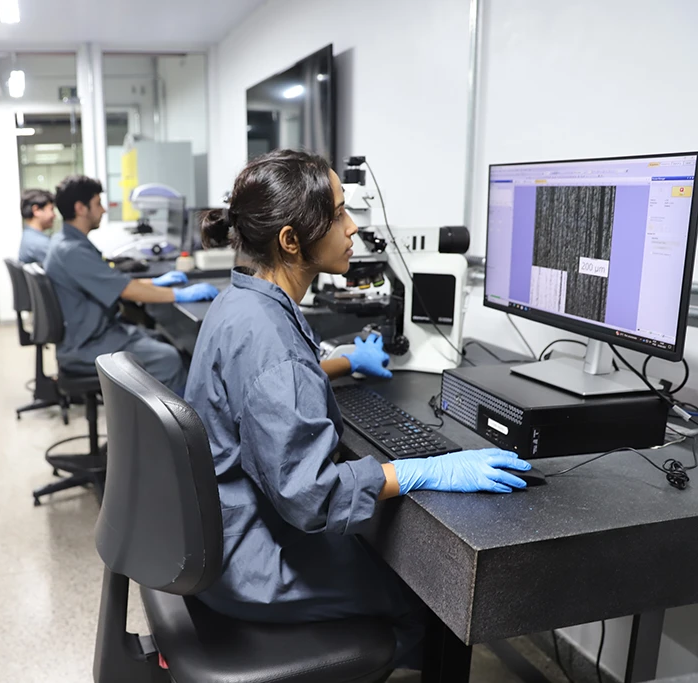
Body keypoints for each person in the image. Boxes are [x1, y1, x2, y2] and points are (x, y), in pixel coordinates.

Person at [184, 150, 530, 664]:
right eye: (340, 214)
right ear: (290, 239)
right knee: (430, 603)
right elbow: (312, 498)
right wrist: (419, 470)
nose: (352, 229)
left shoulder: (240, 302)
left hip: (220, 533)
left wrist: (341, 363)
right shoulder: (272, 343)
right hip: (251, 562)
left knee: (381, 553)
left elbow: (261, 389)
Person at [44, 175, 217, 394]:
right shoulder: (72, 251)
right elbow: (125, 289)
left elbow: (111, 279)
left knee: (166, 341)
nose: (104, 210)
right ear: (81, 208)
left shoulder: (68, 242)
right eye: (98, 204)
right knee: (169, 359)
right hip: (88, 344)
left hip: (93, 333)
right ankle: (178, 427)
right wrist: (179, 295)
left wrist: (154, 282)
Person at [18, 189, 56, 264]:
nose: (54, 215)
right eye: (51, 209)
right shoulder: (40, 243)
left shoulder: (28, 235)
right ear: (36, 210)